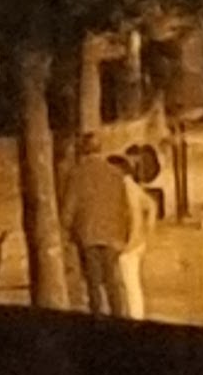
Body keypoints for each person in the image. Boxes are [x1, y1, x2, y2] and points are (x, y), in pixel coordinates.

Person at [63, 135, 151, 320]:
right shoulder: (115, 174)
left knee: (93, 281)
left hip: (88, 234)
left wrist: (66, 229)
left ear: (83, 150)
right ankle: (117, 316)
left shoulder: (77, 174)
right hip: (113, 233)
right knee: (112, 280)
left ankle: (98, 318)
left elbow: (70, 205)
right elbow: (124, 206)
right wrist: (126, 232)